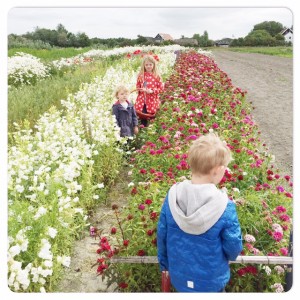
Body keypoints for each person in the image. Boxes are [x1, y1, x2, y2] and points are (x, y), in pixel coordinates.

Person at [157, 133, 243, 293]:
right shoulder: (224, 206)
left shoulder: (173, 196)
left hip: (180, 278)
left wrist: (164, 264)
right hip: (212, 282)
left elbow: (162, 234)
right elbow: (233, 247)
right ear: (218, 171)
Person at [135, 54, 164, 127]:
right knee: (143, 116)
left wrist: (152, 91)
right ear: (144, 65)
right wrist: (141, 89)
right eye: (146, 65)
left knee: (152, 117)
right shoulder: (141, 75)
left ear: (154, 65)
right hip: (142, 101)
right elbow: (137, 86)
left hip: (152, 101)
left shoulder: (156, 76)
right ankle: (143, 130)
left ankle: (152, 131)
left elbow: (161, 89)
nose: (148, 66)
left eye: (150, 64)